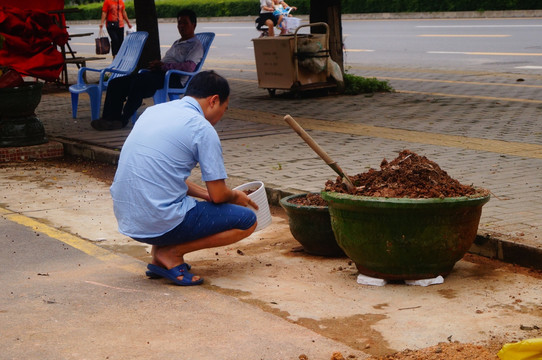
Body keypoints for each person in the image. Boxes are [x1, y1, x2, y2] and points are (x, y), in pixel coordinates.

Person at [110, 70, 259, 286]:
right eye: (224, 110)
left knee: (174, 200)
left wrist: (205, 195)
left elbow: (163, 175)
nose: (220, 118)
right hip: (157, 219)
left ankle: (159, 256)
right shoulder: (202, 128)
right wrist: (234, 196)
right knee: (247, 221)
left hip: (128, 217)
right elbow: (219, 196)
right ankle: (171, 252)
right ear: (214, 100)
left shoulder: (153, 112)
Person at [91, 9, 204, 131]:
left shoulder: (195, 45)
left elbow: (189, 67)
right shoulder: (177, 42)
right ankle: (109, 119)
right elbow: (167, 61)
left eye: (185, 23)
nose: (181, 26)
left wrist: (163, 66)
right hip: (160, 73)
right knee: (116, 83)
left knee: (139, 83)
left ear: (194, 25)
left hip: (174, 78)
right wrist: (158, 65)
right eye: (179, 23)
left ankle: (122, 120)